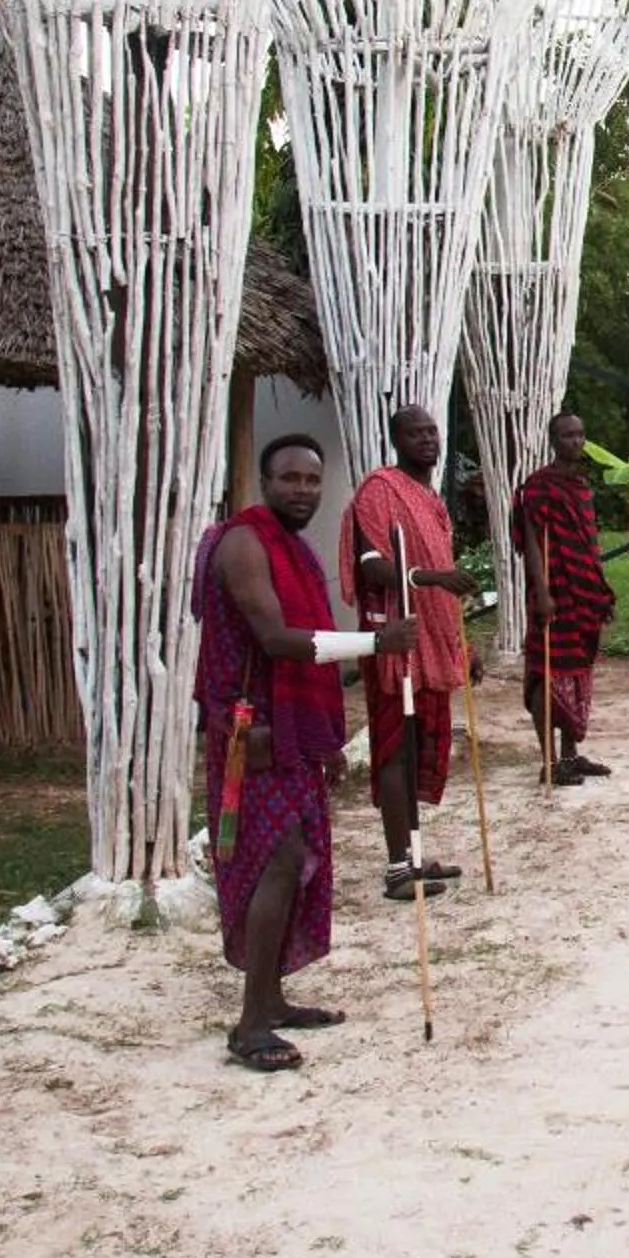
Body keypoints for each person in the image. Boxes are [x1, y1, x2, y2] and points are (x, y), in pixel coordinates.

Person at [195, 434, 414, 1071]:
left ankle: (273, 1000)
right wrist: (375, 645)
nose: (302, 490)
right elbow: (275, 638)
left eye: (312, 481)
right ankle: (251, 1023)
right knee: (278, 862)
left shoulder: (293, 550)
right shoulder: (244, 543)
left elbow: (306, 644)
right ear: (265, 484)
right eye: (289, 478)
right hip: (254, 738)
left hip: (291, 736)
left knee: (293, 862)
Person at [340, 403, 480, 901]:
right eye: (414, 433)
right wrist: (431, 578)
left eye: (431, 431)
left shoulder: (431, 500)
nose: (426, 439)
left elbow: (441, 563)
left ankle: (416, 855)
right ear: (396, 440)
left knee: (419, 746)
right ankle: (399, 867)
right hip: (396, 639)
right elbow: (373, 565)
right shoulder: (379, 491)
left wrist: (463, 645)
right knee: (395, 751)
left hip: (433, 639)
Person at [513, 410, 617, 787]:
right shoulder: (537, 487)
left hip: (584, 594)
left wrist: (601, 591)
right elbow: (531, 543)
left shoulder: (582, 487)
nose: (575, 441)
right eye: (567, 435)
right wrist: (542, 594)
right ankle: (549, 760)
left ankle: (571, 754)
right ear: (553, 441)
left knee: (577, 671)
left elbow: (587, 545)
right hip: (554, 593)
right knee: (548, 671)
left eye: (580, 434)